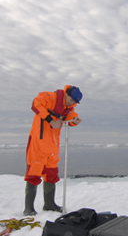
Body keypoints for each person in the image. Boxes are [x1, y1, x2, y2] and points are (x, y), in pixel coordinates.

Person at [23, 85, 83, 216]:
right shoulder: (48, 97)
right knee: (33, 174)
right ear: (66, 95)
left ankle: (49, 204)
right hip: (38, 144)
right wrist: (50, 120)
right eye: (72, 100)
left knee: (51, 174)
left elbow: (71, 118)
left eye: (75, 102)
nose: (72, 103)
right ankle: (29, 208)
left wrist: (75, 121)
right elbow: (35, 105)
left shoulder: (68, 108)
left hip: (52, 146)